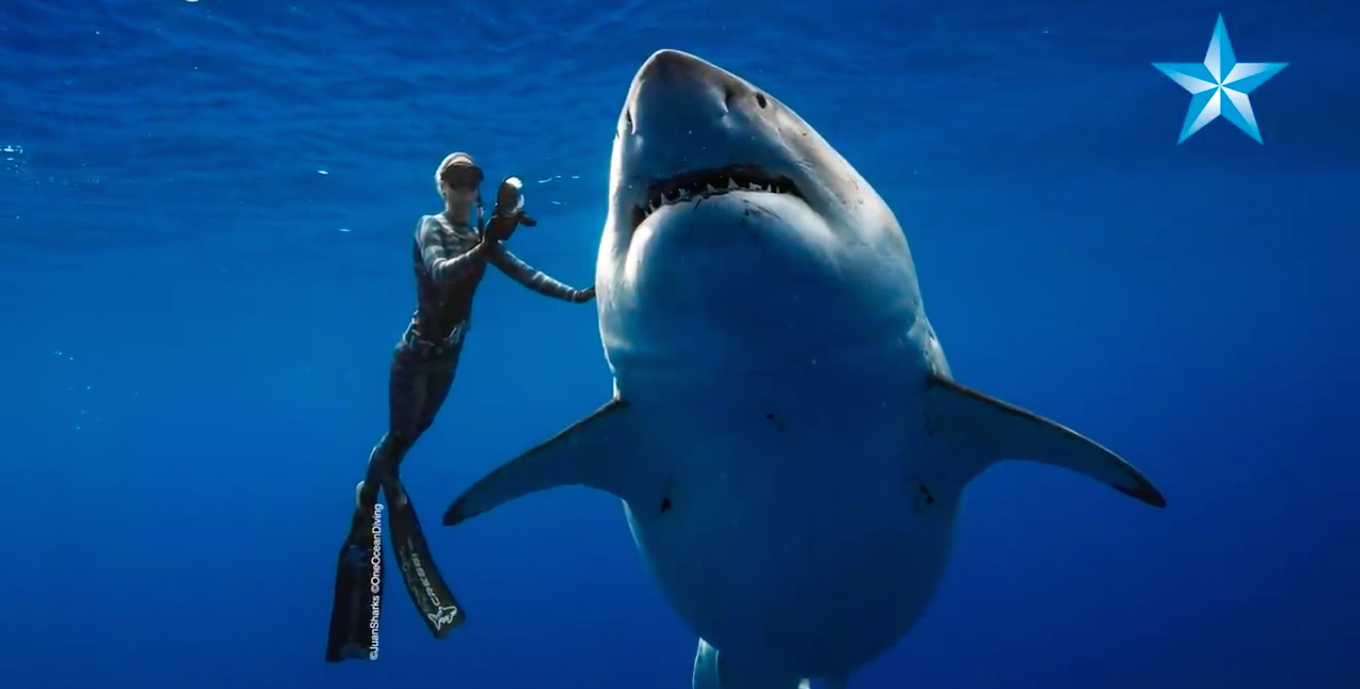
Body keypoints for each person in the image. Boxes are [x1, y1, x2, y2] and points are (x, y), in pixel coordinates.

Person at [325, 152, 595, 662]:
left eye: (475, 182)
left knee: (408, 440)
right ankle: (368, 498)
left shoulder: (481, 240)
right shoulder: (431, 227)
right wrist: (489, 243)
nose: (470, 190)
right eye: (460, 181)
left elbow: (525, 273)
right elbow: (442, 273)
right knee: (399, 437)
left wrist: (579, 295)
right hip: (414, 356)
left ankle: (381, 479)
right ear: (443, 187)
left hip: (450, 357)